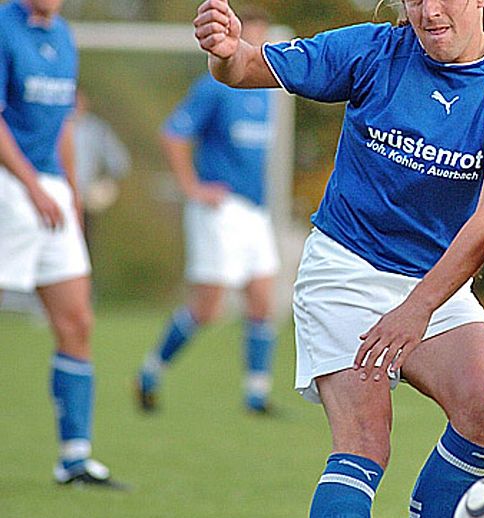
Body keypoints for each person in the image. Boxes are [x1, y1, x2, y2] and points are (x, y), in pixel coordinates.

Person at [192, 0, 484, 518]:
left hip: (433, 281)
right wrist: (225, 52)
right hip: (345, 271)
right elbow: (245, 67)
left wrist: (417, 308)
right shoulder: (372, 50)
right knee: (366, 442)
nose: (429, 11)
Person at [0, 0, 125, 488]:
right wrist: (31, 186)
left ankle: (75, 459)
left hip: (49, 187)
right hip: (11, 183)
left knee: (76, 320)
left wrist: (69, 190)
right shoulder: (4, 26)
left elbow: (64, 124)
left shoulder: (64, 35)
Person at [135, 7, 280, 414]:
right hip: (220, 210)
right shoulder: (214, 87)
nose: (257, 43)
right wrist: (192, 188)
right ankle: (150, 372)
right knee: (208, 307)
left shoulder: (265, 91)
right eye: (250, 35)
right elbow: (174, 134)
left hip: (255, 209)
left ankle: (256, 395)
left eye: (262, 35)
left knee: (262, 301)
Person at [73, 88, 130, 231]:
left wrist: (105, 184)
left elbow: (119, 161)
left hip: (84, 198)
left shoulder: (96, 129)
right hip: (55, 194)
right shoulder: (53, 126)